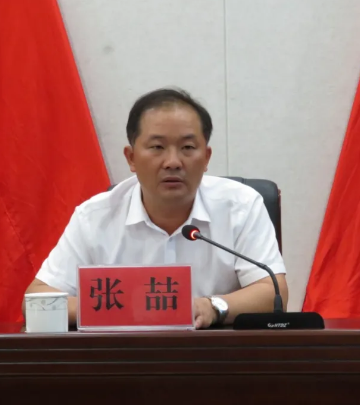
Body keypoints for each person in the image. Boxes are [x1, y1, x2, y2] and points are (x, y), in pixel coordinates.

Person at [25, 88, 288, 329]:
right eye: (157, 147)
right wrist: (123, 308)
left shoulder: (240, 206)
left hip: (216, 357)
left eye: (187, 148)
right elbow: (37, 300)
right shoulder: (94, 217)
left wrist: (212, 306)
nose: (173, 162)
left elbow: (274, 293)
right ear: (131, 158)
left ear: (206, 157)